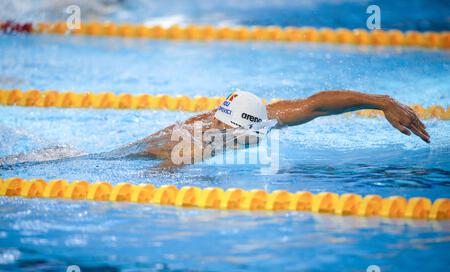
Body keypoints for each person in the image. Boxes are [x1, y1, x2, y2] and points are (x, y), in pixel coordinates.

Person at [121, 90, 430, 167]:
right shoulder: (197, 145)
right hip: (127, 158)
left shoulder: (252, 119)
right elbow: (158, 175)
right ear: (221, 124)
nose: (256, 138)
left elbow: (314, 105)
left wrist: (381, 102)